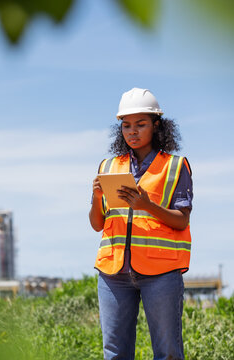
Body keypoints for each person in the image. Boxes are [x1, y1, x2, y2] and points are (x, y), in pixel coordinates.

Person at [89, 88, 193, 360]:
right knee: (114, 353)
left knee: (168, 353)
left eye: (140, 124)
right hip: (114, 273)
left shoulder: (175, 166)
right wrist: (95, 197)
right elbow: (97, 224)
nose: (132, 131)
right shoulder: (109, 167)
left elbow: (182, 220)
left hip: (161, 272)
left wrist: (147, 205)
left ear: (156, 126)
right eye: (126, 125)